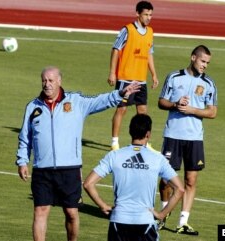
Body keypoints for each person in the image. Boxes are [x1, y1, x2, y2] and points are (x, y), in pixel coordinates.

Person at [15, 66, 141, 241]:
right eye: (44, 80)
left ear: (59, 81)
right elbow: (25, 137)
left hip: (70, 169)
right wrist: (22, 161)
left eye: (51, 80)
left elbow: (100, 101)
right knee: (40, 211)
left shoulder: (76, 101)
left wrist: (120, 94)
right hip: (42, 169)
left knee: (71, 212)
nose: (47, 84)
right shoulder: (33, 107)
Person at [83, 114, 184, 241]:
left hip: (118, 221)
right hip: (145, 222)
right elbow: (180, 189)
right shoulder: (158, 159)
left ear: (130, 131)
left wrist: (102, 205)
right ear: (148, 134)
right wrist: (162, 214)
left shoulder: (114, 156)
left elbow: (88, 183)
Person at [157, 45, 218, 235]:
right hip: (173, 135)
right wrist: (175, 105)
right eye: (202, 61)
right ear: (193, 58)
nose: (205, 66)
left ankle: (183, 222)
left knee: (191, 180)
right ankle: (164, 212)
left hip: (194, 138)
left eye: (207, 63)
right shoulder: (174, 77)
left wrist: (192, 110)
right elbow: (161, 102)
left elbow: (212, 112)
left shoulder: (209, 84)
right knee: (166, 179)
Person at [107, 1, 159, 150]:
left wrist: (153, 74)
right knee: (122, 109)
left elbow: (149, 53)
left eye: (150, 15)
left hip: (141, 80)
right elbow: (116, 49)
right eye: (146, 15)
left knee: (142, 112)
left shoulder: (150, 32)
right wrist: (112, 72)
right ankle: (114, 142)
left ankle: (144, 142)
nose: (148, 18)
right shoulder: (127, 30)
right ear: (137, 14)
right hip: (125, 78)